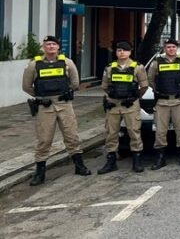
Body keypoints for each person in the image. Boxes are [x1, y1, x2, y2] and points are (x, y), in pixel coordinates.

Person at [22, 36, 91, 185]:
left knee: (72, 136)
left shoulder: (67, 63)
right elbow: (26, 86)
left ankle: (80, 166)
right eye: (48, 44)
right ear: (43, 47)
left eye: (54, 44)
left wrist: (65, 93)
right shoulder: (34, 65)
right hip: (45, 106)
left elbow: (75, 82)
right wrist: (40, 96)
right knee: (44, 139)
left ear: (58, 47)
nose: (51, 47)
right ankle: (40, 173)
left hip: (64, 104)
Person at [98, 41, 149, 174]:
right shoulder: (109, 68)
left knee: (134, 132)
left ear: (130, 52)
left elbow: (144, 85)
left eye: (125, 50)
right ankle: (111, 161)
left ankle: (137, 161)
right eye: (119, 50)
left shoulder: (137, 67)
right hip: (113, 105)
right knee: (111, 133)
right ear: (116, 52)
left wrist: (134, 97)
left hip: (130, 106)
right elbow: (104, 86)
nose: (122, 53)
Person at [147, 39, 180, 170]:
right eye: (168, 47)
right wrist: (160, 90)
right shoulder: (157, 63)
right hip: (162, 102)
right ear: (164, 48)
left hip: (179, 102)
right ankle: (160, 158)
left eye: (173, 47)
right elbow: (151, 80)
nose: (171, 49)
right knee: (160, 131)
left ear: (176, 48)